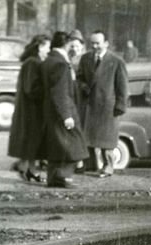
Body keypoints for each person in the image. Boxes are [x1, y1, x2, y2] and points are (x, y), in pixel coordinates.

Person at [77, 30, 128, 178]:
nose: (94, 46)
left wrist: (120, 106)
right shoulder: (85, 59)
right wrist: (84, 87)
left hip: (107, 107)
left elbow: (123, 86)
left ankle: (108, 167)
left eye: (97, 43)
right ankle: (91, 164)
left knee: (107, 140)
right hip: (89, 105)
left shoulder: (116, 61)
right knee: (88, 137)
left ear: (106, 43)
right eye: (92, 43)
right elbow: (79, 78)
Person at [41, 31, 88, 188]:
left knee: (56, 145)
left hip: (49, 111)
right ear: (66, 44)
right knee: (75, 145)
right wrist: (67, 115)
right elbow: (60, 92)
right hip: (62, 111)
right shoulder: (61, 64)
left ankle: (53, 178)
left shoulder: (49, 60)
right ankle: (63, 177)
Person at [8, 34, 51, 182]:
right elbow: (31, 88)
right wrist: (47, 92)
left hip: (29, 109)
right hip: (31, 110)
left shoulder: (31, 62)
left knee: (32, 143)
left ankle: (30, 171)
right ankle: (27, 170)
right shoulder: (33, 63)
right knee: (31, 141)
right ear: (40, 47)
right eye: (47, 47)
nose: (49, 50)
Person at [67, 29, 87, 173]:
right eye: (72, 45)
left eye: (77, 46)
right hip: (68, 97)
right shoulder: (66, 58)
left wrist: (76, 82)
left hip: (80, 99)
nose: (74, 49)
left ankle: (80, 163)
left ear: (82, 46)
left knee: (78, 129)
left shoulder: (86, 60)